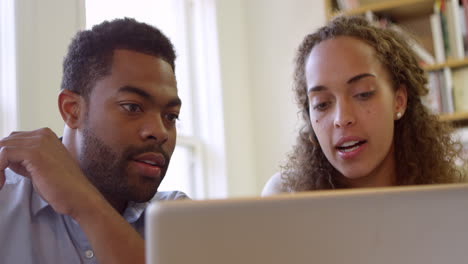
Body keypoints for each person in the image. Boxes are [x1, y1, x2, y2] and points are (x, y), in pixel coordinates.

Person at [0, 18, 188, 264]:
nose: (160, 132)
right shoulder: (4, 201)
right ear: (72, 110)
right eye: (132, 107)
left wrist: (85, 203)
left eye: (170, 116)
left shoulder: (180, 218)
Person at [262, 15, 465, 195]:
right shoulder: (285, 195)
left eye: (363, 94)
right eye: (322, 104)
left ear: (399, 101)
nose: (342, 119)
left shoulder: (454, 194)